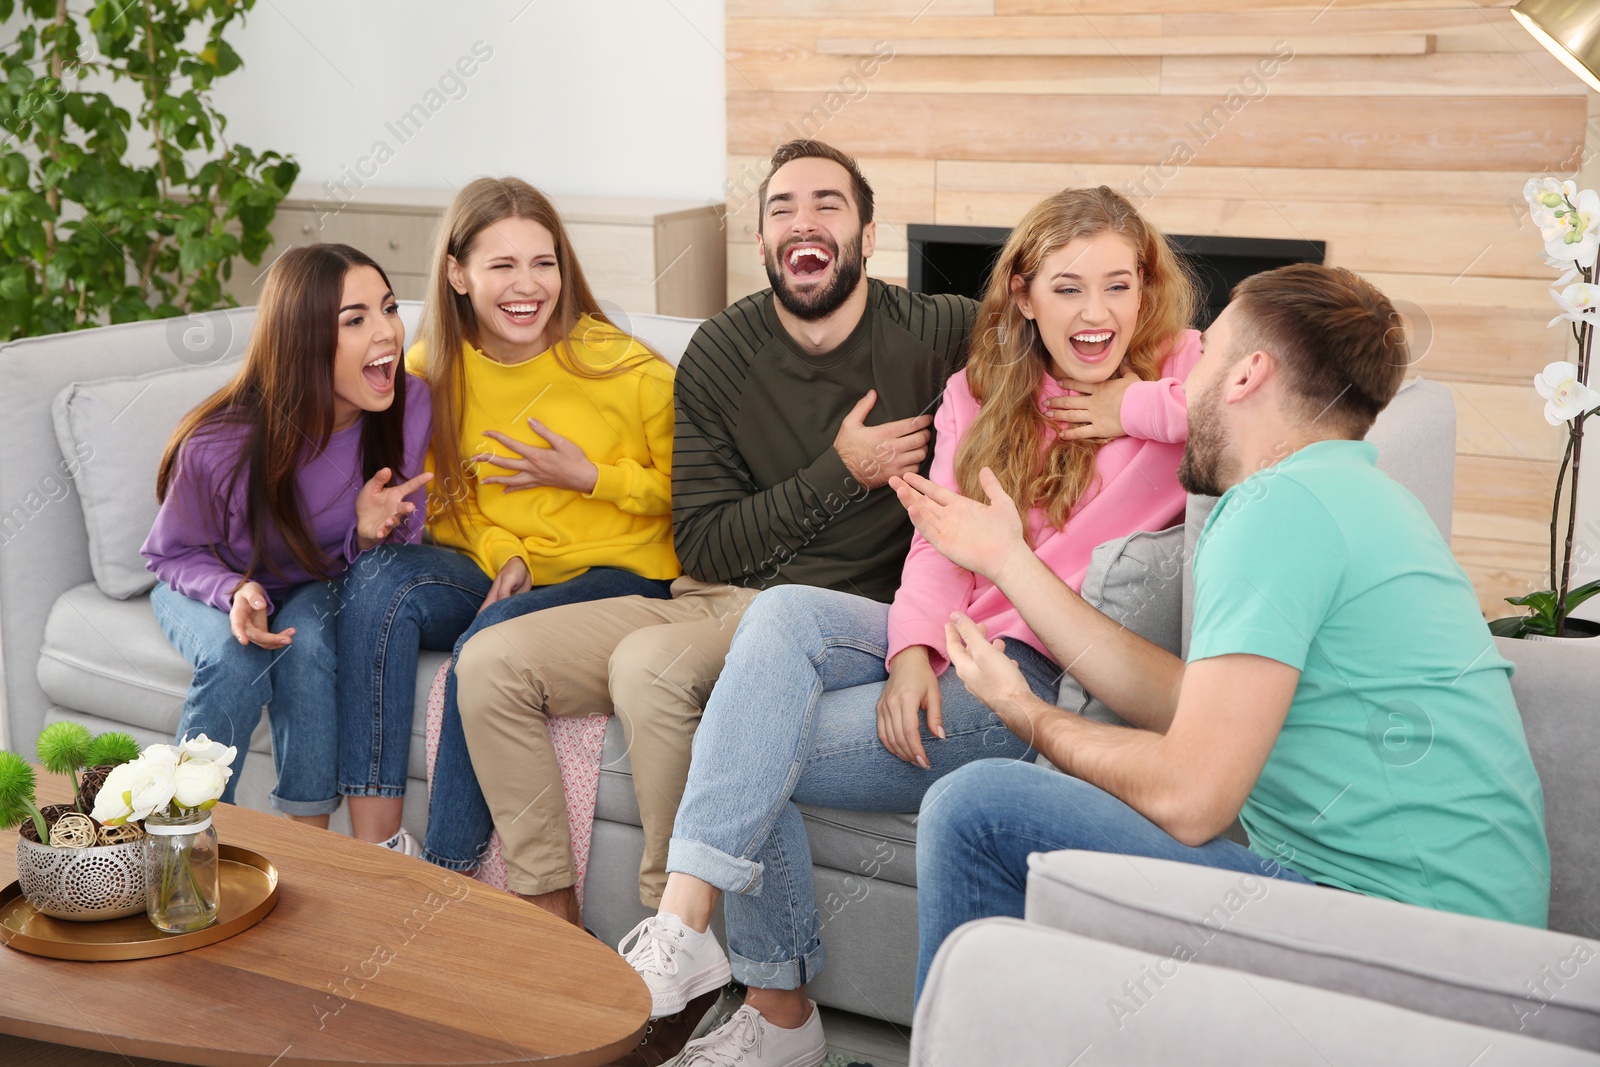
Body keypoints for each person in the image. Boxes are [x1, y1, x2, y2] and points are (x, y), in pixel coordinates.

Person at [619, 185, 1207, 1065]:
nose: (1098, 313)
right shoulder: (981, 388)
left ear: (1147, 287)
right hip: (950, 642)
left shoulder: (1182, 367)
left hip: (1029, 676)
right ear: (1022, 294)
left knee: (739, 736)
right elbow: (938, 545)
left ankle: (772, 1014)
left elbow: (1262, 415)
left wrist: (1132, 410)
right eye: (1069, 287)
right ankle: (688, 930)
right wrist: (911, 653)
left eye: (1119, 285)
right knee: (779, 624)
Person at [900, 263, 1552, 1002]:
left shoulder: (1278, 508)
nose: (1187, 382)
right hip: (1481, 939)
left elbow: (1191, 796)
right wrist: (1011, 561)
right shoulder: (1357, 493)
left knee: (976, 807)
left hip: (1410, 944)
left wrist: (1029, 714)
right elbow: (1193, 701)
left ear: (1247, 376)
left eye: (1204, 354)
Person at [453, 137, 971, 951]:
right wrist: (841, 470)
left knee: (647, 667)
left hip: (832, 621)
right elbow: (704, 545)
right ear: (762, 244)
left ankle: (675, 941)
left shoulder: (938, 332)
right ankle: (552, 928)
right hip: (708, 600)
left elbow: (1058, 334)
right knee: (487, 664)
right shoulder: (722, 354)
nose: (804, 220)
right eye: (781, 209)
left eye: (828, 204)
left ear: (869, 236)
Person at [333, 177, 678, 869]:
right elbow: (446, 501)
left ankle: (447, 877)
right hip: (497, 569)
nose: (528, 285)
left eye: (543, 262)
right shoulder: (431, 372)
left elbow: (697, 499)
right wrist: (507, 554)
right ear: (458, 274)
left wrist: (591, 477)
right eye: (502, 265)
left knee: (492, 640)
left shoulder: (627, 369)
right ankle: (376, 853)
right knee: (377, 582)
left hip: (619, 576)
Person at [143, 243, 431, 827]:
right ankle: (178, 837)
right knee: (235, 653)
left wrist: (366, 534)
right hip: (209, 580)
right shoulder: (222, 442)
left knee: (309, 643)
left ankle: (308, 846)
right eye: (355, 319)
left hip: (317, 584)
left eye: (390, 308)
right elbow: (169, 553)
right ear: (301, 339)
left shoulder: (411, 403)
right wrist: (233, 592)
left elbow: (394, 561)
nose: (388, 332)